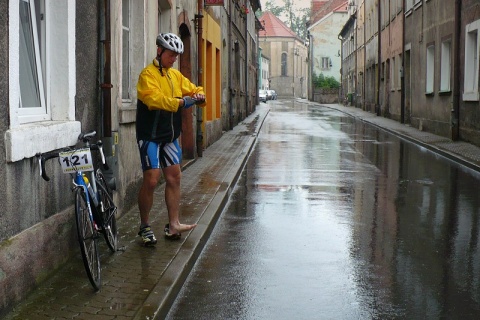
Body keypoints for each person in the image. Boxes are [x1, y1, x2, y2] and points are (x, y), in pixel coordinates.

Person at [136, 32, 206, 246]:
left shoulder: (175, 76)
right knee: (152, 179)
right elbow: (153, 100)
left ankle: (173, 224)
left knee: (175, 177)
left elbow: (194, 88)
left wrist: (199, 96)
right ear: (159, 51)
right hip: (149, 135)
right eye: (171, 54)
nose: (174, 59)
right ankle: (144, 226)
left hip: (170, 136)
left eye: (176, 56)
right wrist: (180, 102)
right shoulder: (147, 75)